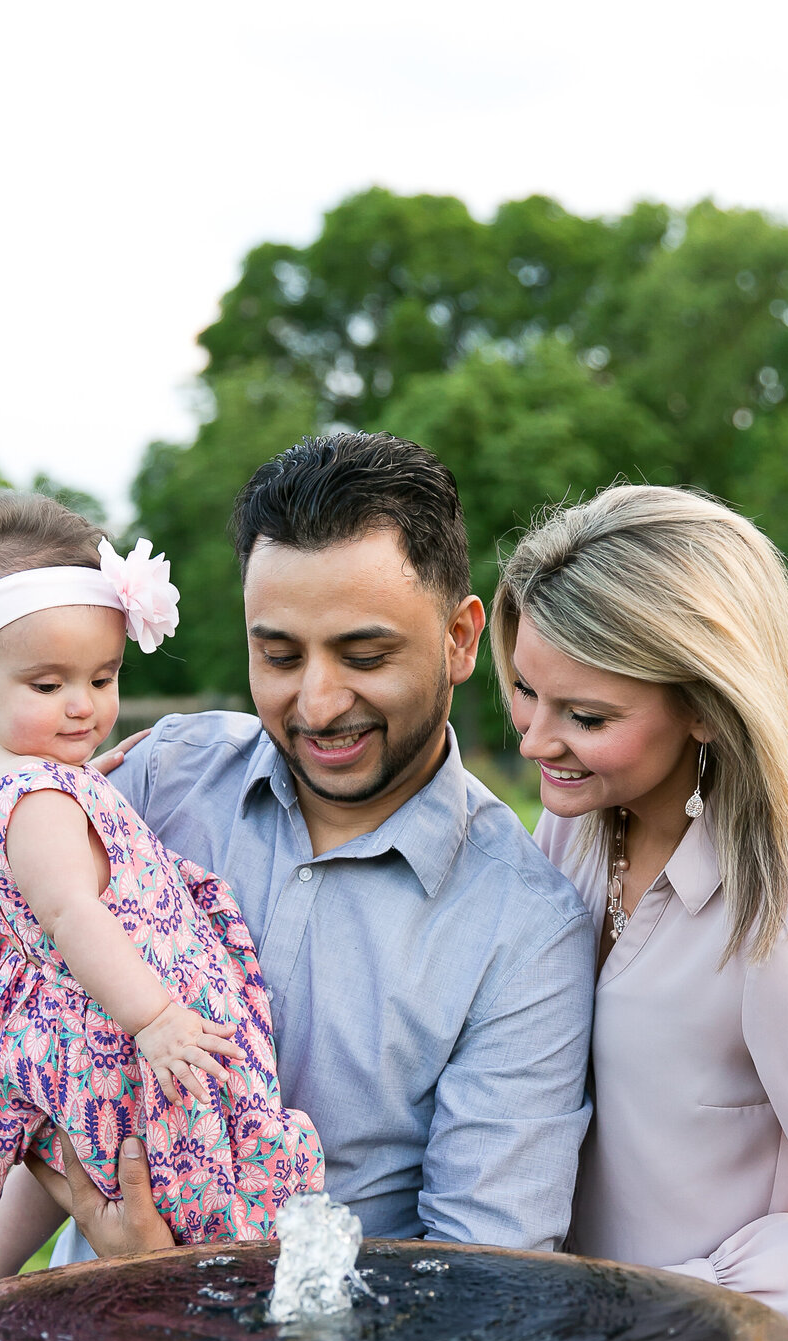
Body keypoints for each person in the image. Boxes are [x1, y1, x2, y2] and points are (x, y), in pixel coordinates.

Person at [39, 431, 596, 1268]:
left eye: (365, 655)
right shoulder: (157, 785)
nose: (319, 702)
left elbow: (477, 1281)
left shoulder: (525, 931)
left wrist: (165, 1273)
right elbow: (20, 1017)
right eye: (279, 654)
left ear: (460, 638)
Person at [490, 482, 788, 1341]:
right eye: (525, 690)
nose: (534, 740)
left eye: (587, 715)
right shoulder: (576, 829)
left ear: (711, 709)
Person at [0, 491, 324, 1299]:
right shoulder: (38, 801)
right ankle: (232, 1286)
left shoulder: (28, 777)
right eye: (47, 684)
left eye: (101, 677)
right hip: (116, 1024)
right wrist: (157, 1017)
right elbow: (73, 911)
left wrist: (82, 787)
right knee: (165, 1161)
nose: (83, 705)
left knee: (63, 1143)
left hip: (81, 1025)